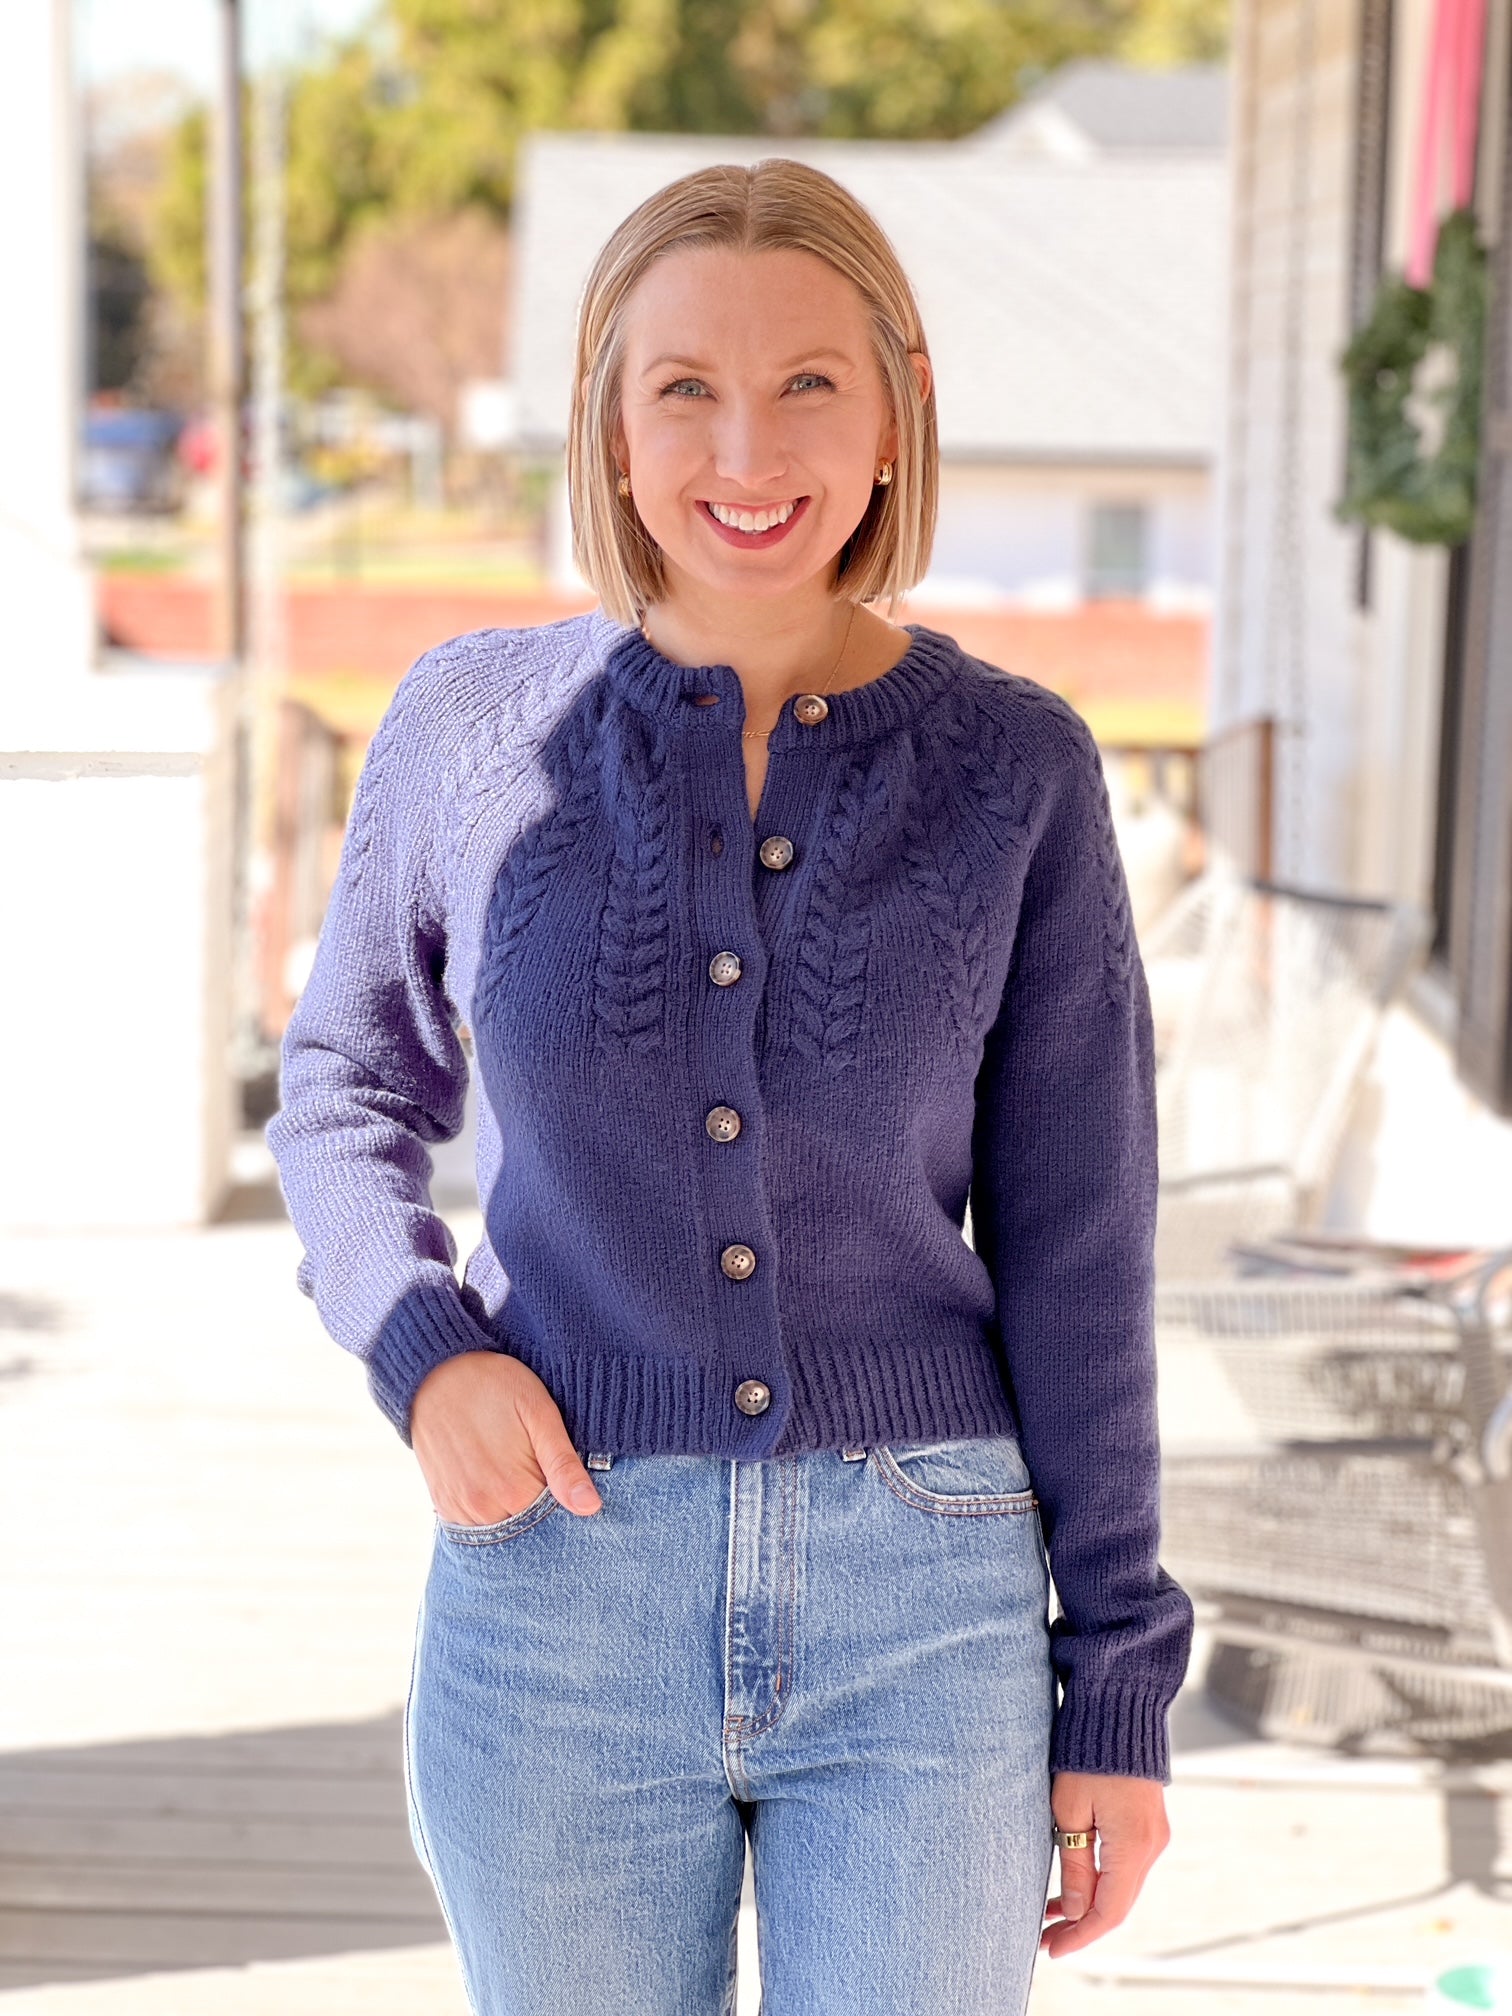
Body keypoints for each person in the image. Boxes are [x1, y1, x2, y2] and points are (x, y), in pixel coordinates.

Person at [266, 156, 1195, 2016]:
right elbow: (342, 1090)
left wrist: (1118, 1687)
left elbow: (1086, 1243)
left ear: (895, 411)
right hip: (557, 1592)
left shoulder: (1017, 772)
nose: (744, 449)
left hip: (923, 1597)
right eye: (683, 385)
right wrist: (421, 1342)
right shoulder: (469, 730)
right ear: (611, 419)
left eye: (807, 384)